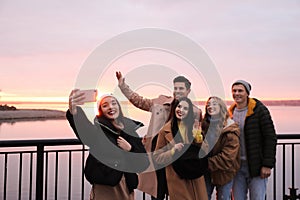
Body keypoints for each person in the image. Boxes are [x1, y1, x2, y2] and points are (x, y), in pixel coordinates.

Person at [116, 71, 202, 199]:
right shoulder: (160, 102)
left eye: (181, 89)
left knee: (178, 192)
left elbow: (197, 137)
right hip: (158, 154)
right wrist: (123, 86)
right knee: (158, 191)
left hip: (178, 157)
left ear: (188, 91)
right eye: (175, 88)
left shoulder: (195, 111)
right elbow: (138, 101)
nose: (177, 91)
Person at [66, 89, 149, 200]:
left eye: (114, 103)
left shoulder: (129, 130)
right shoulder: (98, 130)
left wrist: (130, 149)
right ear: (101, 110)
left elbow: (143, 163)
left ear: (119, 107)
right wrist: (74, 111)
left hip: (126, 187)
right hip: (105, 187)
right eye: (105, 105)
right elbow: (85, 132)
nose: (110, 107)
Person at [229, 80, 277, 200]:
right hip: (236, 167)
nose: (237, 93)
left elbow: (270, 137)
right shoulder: (230, 113)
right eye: (234, 91)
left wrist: (267, 165)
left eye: (240, 90)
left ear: (247, 93)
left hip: (256, 167)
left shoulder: (259, 110)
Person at [153, 97, 208, 200]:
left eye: (185, 108)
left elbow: (204, 152)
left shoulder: (193, 127)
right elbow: (157, 157)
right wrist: (173, 151)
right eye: (179, 106)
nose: (181, 110)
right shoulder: (165, 131)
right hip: (177, 179)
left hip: (195, 177)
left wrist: (198, 137)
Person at [201, 96, 240, 200]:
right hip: (206, 172)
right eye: (208, 104)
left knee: (223, 198)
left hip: (224, 172)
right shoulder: (204, 126)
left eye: (214, 104)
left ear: (221, 107)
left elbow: (228, 157)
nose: (210, 106)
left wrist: (205, 163)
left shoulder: (230, 129)